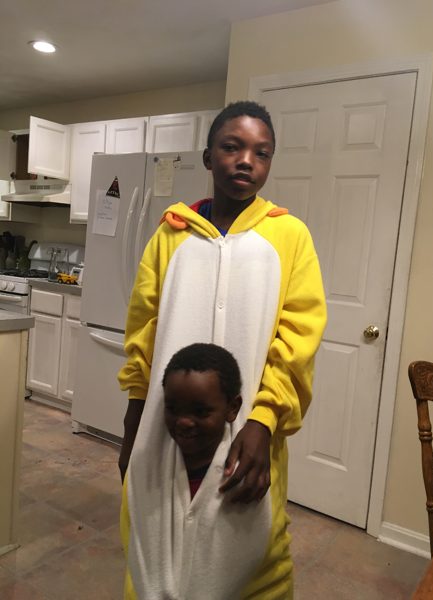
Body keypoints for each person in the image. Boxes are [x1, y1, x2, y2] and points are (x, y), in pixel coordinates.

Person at [118, 100, 327, 599]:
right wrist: (133, 424)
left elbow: (298, 340)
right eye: (232, 147)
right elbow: (144, 329)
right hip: (166, 425)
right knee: (154, 542)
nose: (246, 161)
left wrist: (263, 421)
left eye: (262, 152)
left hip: (247, 433)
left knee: (250, 545)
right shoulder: (170, 236)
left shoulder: (289, 236)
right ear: (209, 157)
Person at [162, 343, 242, 500]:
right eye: (172, 409)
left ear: (232, 408)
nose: (183, 422)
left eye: (200, 412)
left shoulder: (243, 476)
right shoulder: (155, 466)